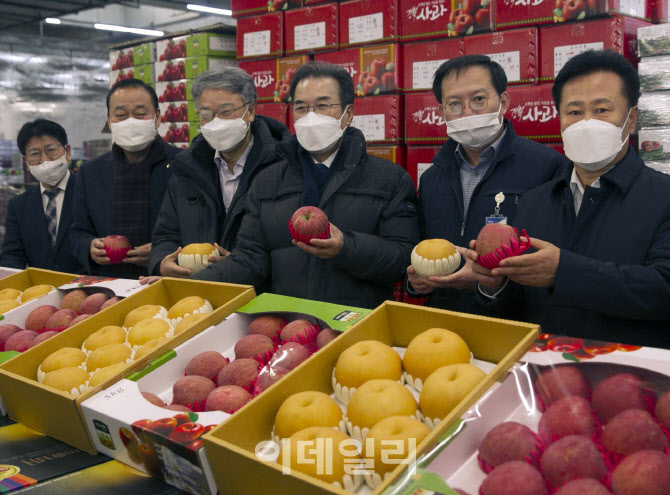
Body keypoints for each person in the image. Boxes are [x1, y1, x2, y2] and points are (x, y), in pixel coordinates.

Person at [467, 49, 670, 349]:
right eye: (574, 112)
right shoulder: (535, 202)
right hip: (544, 377)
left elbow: (662, 289)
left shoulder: (663, 197)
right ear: (560, 120)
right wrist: (494, 286)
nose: (587, 122)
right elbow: (522, 308)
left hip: (632, 379)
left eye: (602, 110)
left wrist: (564, 272)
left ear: (631, 119)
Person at [190, 61, 419, 308]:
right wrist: (191, 286)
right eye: (301, 108)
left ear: (348, 114)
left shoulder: (389, 180)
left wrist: (345, 247)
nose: (311, 117)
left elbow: (402, 260)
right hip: (287, 325)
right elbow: (250, 258)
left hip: (357, 325)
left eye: (322, 106)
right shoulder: (268, 182)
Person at [406, 55, 569, 315]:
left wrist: (491, 283)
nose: (468, 112)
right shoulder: (432, 176)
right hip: (444, 321)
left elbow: (554, 264)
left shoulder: (548, 167)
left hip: (514, 321)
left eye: (479, 100)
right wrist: (416, 282)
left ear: (502, 102)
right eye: (454, 104)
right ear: (442, 112)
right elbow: (421, 245)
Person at [149, 67, 289, 278]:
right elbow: (166, 233)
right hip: (197, 290)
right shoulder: (186, 168)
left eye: (225, 112)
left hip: (259, 293)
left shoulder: (281, 165)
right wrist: (162, 262)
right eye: (206, 114)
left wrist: (236, 265)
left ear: (250, 111)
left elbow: (287, 246)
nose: (216, 122)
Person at [70, 78, 180, 279]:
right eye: (120, 115)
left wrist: (162, 251)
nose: (131, 121)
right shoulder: (90, 172)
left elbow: (201, 230)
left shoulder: (183, 165)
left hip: (166, 282)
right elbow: (77, 232)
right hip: (109, 285)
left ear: (157, 117)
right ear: (109, 121)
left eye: (140, 114)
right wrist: (89, 247)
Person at [0, 120, 82, 273]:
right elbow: (12, 255)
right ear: (25, 161)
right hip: (41, 290)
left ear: (67, 152)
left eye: (50, 150)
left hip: (88, 288)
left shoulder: (88, 192)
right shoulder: (19, 206)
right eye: (35, 154)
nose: (44, 160)